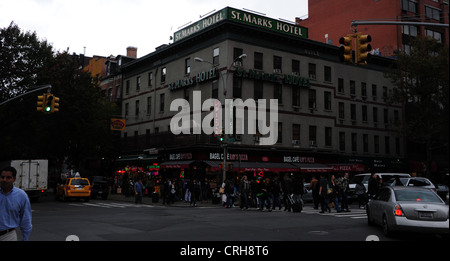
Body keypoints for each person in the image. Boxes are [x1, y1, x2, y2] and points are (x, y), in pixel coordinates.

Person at [0, 166, 32, 241]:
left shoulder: (21, 195)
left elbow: (26, 218)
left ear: (14, 179)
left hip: (8, 236)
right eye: (2, 177)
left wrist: (25, 238)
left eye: (8, 177)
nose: (4, 180)